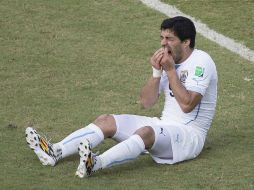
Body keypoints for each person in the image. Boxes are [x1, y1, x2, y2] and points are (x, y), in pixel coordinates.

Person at [25, 16, 218, 178]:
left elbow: (187, 105)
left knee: (145, 132)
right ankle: (55, 151)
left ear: (186, 42)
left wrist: (170, 71)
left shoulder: (201, 62)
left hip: (189, 138)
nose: (163, 43)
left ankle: (96, 163)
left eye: (169, 39)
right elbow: (146, 102)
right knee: (106, 120)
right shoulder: (169, 62)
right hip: (164, 125)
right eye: (161, 37)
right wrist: (156, 72)